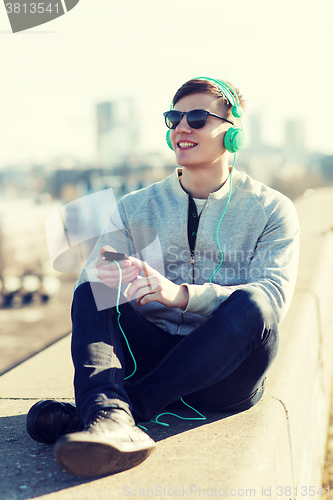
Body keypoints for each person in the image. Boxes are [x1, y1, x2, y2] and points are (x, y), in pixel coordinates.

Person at [27, 77, 300, 478]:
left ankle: (117, 412)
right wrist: (119, 278)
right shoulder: (135, 206)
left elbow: (274, 296)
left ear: (235, 133)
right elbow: (99, 282)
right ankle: (111, 411)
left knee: (256, 303)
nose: (181, 127)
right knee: (92, 287)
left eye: (197, 117)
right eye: (175, 118)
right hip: (148, 357)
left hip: (226, 377)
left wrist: (182, 296)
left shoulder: (273, 209)